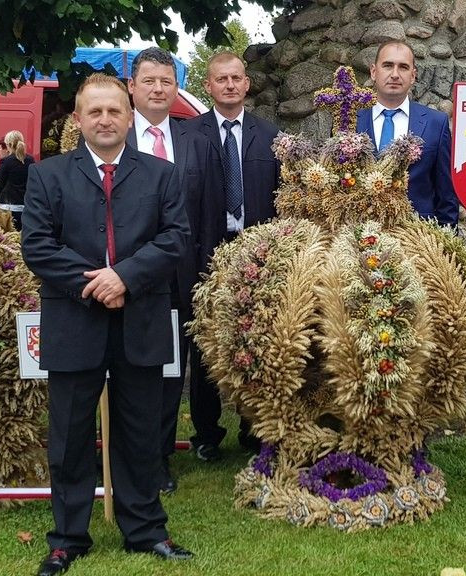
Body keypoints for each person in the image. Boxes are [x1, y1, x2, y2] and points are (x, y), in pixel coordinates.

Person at [21, 73, 193, 576]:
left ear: (129, 116)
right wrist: (96, 283)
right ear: (77, 119)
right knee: (70, 437)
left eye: (114, 111)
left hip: (140, 320)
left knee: (140, 433)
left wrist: (125, 278)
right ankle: (68, 538)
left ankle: (145, 530)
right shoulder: (47, 175)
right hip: (74, 321)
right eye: (94, 111)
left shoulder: (161, 174)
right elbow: (38, 245)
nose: (104, 119)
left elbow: (175, 238)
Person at [126, 46, 217, 494]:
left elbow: (210, 214)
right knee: (128, 371)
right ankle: (123, 454)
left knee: (169, 372)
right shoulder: (112, 136)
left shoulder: (196, 143)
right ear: (132, 87)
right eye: (149, 81)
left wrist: (206, 275)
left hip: (182, 280)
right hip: (123, 279)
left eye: (167, 81)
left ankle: (158, 459)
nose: (159, 89)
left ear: (177, 88)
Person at [184, 51, 280, 462]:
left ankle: (253, 428)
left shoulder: (270, 135)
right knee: (205, 340)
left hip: (256, 247)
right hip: (205, 248)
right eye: (220, 79)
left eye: (235, 78)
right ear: (208, 86)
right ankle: (206, 432)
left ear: (247, 84)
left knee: (256, 336)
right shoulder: (188, 134)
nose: (228, 85)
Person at [355, 39, 458, 227]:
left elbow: (447, 196)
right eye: (387, 65)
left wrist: (445, 248)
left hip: (418, 239)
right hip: (360, 234)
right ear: (373, 72)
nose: (395, 74)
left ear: (413, 75)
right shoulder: (352, 121)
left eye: (403, 67)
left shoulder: (436, 123)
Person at [0, 130, 34, 230]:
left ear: (9, 145)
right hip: (25, 205)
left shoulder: (6, 161)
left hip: (8, 205)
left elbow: (0, 185)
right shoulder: (30, 160)